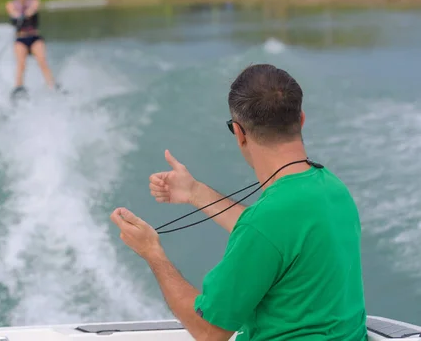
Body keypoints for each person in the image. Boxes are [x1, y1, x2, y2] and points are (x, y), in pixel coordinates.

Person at [110, 64, 367, 340]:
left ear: (239, 132)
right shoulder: (333, 190)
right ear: (301, 119)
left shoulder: (266, 223)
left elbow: (209, 331)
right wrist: (195, 191)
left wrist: (153, 253)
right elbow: (277, 239)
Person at [6, 0, 60, 99]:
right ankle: (19, 89)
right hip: (21, 39)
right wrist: (17, 16)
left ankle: (52, 86)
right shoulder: (10, 4)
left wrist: (24, 14)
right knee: (21, 64)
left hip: (35, 37)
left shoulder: (34, 1)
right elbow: (12, 13)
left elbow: (33, 9)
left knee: (42, 60)